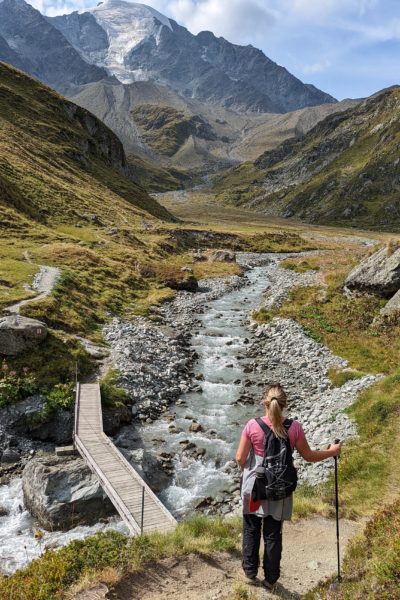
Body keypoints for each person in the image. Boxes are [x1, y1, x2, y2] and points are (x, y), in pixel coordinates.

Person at [235, 383, 342, 591]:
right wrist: (332, 451)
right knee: (273, 532)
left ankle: (249, 573)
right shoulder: (294, 428)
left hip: (254, 486)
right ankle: (270, 579)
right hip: (280, 487)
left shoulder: (252, 426)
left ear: (264, 403)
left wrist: (245, 469)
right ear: (284, 405)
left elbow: (240, 457)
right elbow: (309, 456)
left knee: (251, 527)